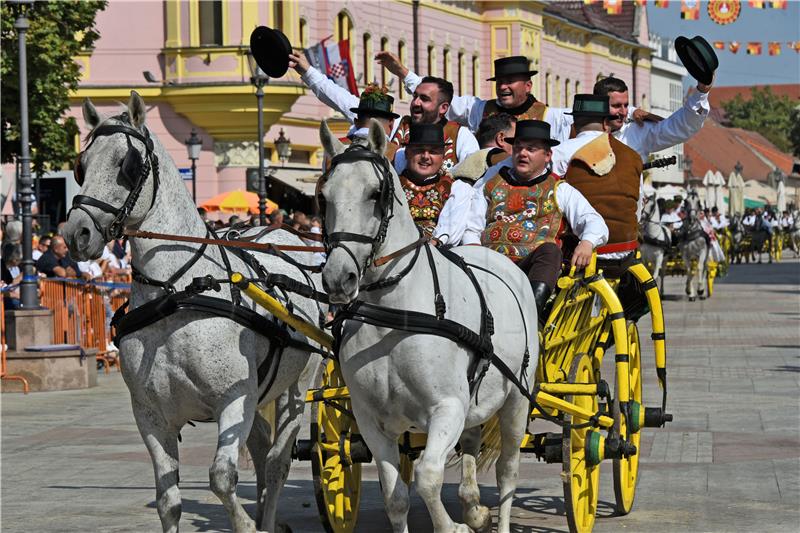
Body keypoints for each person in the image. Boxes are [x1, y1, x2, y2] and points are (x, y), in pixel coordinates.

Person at [436, 120, 608, 316]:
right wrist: (475, 254)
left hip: (529, 269)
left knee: (550, 251)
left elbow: (594, 221)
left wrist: (587, 243)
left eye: (531, 149)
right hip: (488, 266)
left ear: (547, 155)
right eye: (518, 148)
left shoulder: (560, 189)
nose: (523, 153)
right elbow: (471, 226)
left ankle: (529, 315)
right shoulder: (492, 182)